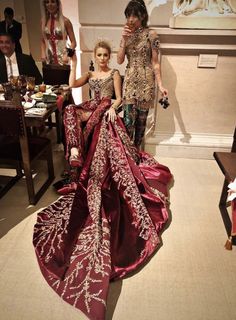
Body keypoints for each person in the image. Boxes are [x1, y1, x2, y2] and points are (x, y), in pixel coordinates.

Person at [33, 40, 172, 320]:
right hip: (89, 109)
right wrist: (73, 63)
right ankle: (74, 150)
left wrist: (113, 106)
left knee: (102, 109)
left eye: (106, 54)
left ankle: (80, 153)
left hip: (105, 111)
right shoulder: (92, 73)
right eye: (99, 54)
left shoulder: (113, 74)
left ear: (110, 56)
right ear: (94, 56)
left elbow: (119, 98)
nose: (104, 58)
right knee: (70, 110)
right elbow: (72, 84)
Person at [117, 0, 168, 149]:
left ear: (143, 15)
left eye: (135, 15)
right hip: (130, 80)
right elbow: (119, 60)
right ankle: (127, 157)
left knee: (141, 123)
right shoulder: (125, 34)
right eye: (128, 16)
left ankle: (137, 155)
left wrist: (161, 85)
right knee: (127, 122)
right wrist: (124, 40)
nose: (131, 19)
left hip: (146, 82)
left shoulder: (152, 35)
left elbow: (155, 62)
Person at [40, 0, 76, 65]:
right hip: (48, 61)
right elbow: (42, 40)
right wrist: (43, 53)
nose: (50, 4)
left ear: (57, 4)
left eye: (53, 2)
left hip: (63, 61)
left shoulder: (66, 21)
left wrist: (68, 55)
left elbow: (74, 42)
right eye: (47, 2)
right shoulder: (43, 21)